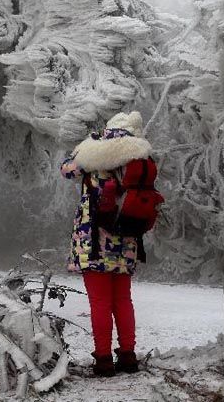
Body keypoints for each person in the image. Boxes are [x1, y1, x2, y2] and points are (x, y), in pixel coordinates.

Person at [60, 111, 152, 377]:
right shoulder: (138, 154)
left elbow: (67, 170)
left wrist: (80, 150)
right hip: (127, 236)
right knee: (123, 300)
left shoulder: (93, 149)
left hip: (94, 239)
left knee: (99, 302)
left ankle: (103, 359)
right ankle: (128, 355)